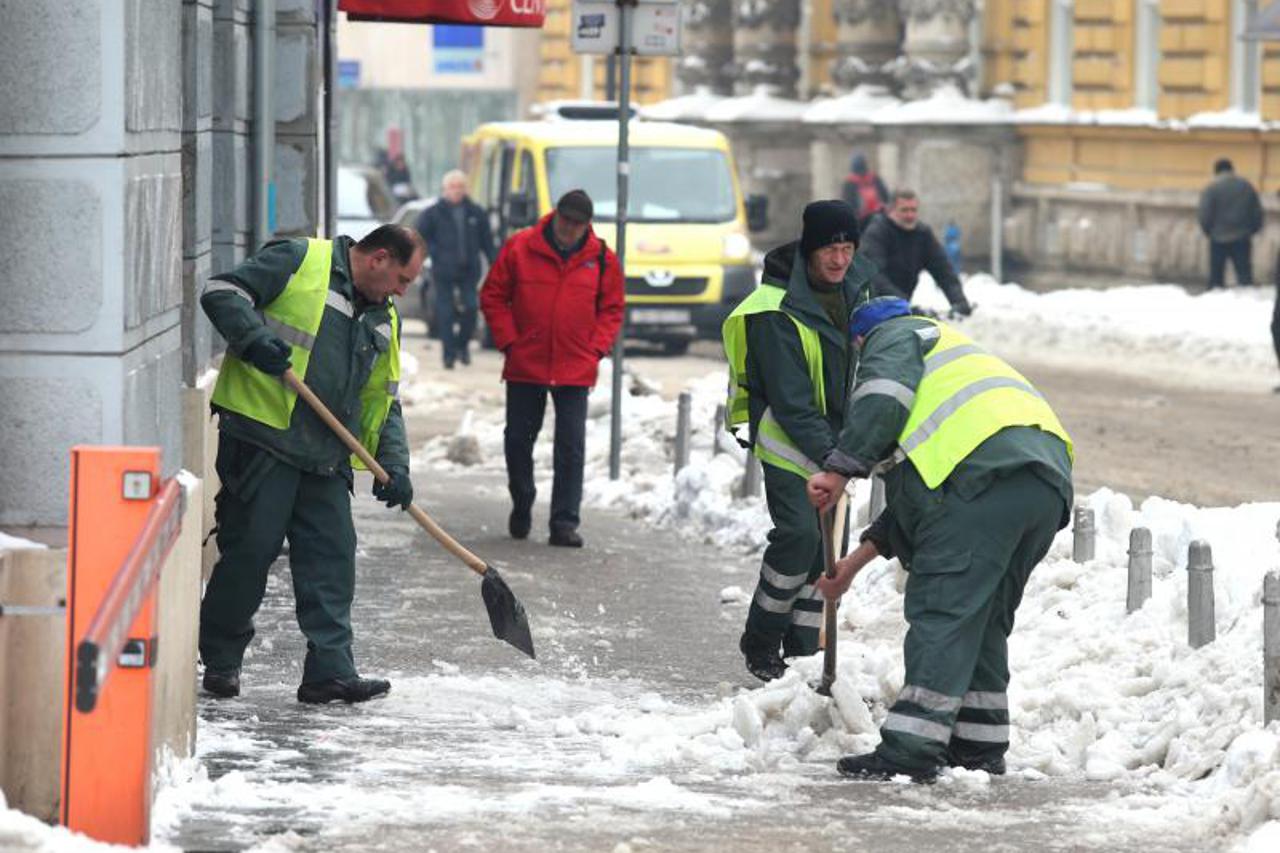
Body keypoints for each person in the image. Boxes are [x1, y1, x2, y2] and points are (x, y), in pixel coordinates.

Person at [806, 296, 1074, 783]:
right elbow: (916, 508)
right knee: (983, 615)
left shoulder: (894, 337)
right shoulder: (954, 358)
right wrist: (852, 565)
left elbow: (882, 397)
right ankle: (979, 744)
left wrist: (840, 469)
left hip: (981, 482)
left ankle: (910, 748)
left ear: (861, 342)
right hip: (1042, 484)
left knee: (943, 612)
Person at [198, 224, 426, 704]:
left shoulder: (384, 318)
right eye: (403, 279)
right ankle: (220, 660)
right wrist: (253, 339)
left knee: (332, 559)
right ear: (379, 258)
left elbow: (382, 401)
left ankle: (330, 671)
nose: (404, 292)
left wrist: (395, 465)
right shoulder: (301, 260)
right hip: (264, 440)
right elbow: (221, 290)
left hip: (325, 456)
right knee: (250, 552)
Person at [721, 199, 874, 682]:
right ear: (810, 248)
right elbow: (791, 399)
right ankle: (762, 640)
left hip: (835, 444)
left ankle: (805, 650)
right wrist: (835, 456)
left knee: (828, 549)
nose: (840, 259)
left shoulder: (857, 290)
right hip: (789, 441)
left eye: (848, 248)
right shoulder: (774, 310)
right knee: (798, 539)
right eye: (831, 249)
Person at [480, 189, 624, 548]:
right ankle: (523, 498)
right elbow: (493, 295)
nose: (569, 229)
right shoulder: (521, 247)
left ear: (587, 226)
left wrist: (595, 349)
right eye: (565, 220)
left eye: (577, 224)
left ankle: (564, 522)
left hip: (575, 365)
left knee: (570, 446)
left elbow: (612, 309)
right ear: (555, 214)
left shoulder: (603, 259)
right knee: (517, 439)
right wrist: (510, 341)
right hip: (526, 362)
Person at [415, 170, 496, 369]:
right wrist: (428, 255)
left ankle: (462, 345)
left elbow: (487, 242)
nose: (456, 191)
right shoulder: (433, 213)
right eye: (452, 187)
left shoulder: (475, 212)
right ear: (445, 189)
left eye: (460, 186)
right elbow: (418, 238)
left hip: (469, 270)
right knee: (446, 312)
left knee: (471, 307)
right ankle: (448, 354)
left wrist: (496, 263)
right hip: (443, 270)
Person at [859, 190, 972, 316]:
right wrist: (904, 305)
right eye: (904, 210)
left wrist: (959, 302)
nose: (910, 215)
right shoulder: (877, 232)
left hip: (902, 306)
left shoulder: (922, 234)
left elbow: (943, 271)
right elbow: (874, 276)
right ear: (891, 210)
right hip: (872, 307)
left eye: (913, 210)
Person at [1198, 158, 1263, 289]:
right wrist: (1253, 230)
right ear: (1232, 169)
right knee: (1244, 275)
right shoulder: (1246, 186)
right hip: (1242, 236)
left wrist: (1208, 231)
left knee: (1216, 277)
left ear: (1216, 171)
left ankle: (1215, 300)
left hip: (1218, 237)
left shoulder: (1212, 189)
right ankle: (1248, 300)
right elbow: (1257, 211)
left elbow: (1205, 213)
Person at [840, 154, 889, 225]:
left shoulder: (849, 183)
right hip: (877, 218)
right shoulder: (875, 178)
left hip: (863, 220)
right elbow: (886, 197)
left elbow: (847, 204)